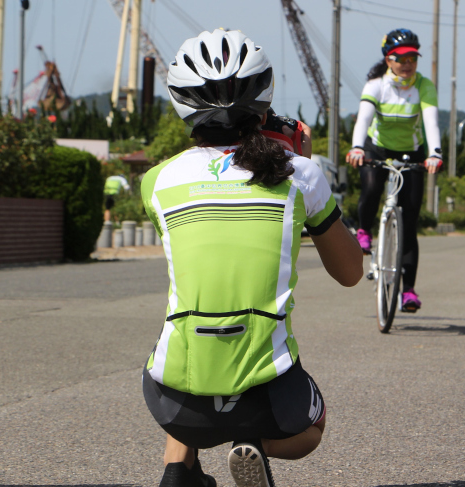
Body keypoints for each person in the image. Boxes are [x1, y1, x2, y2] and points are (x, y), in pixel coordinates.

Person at [141, 29, 363, 487]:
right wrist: (292, 158)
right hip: (271, 399)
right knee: (311, 429)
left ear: (182, 102)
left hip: (172, 403)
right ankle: (253, 450)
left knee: (193, 336)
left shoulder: (158, 181)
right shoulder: (298, 172)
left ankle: (176, 472)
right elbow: (350, 273)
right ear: (263, 99)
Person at [345, 28, 442, 312]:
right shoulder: (376, 85)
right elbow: (363, 119)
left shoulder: (424, 86)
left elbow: (431, 122)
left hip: (411, 152)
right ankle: (364, 231)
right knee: (373, 186)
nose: (408, 62)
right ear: (389, 59)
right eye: (401, 57)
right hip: (377, 148)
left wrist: (435, 153)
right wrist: (357, 147)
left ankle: (409, 291)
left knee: (409, 224)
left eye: (413, 56)